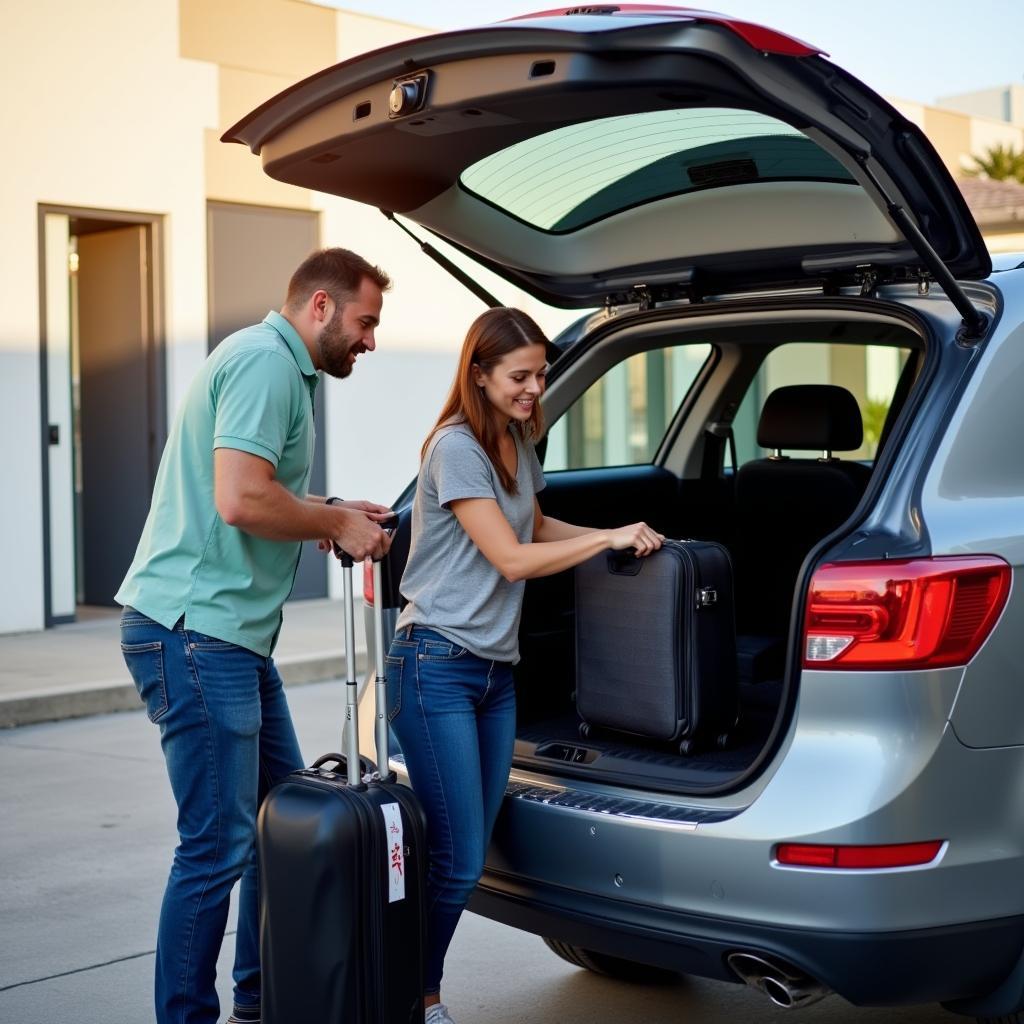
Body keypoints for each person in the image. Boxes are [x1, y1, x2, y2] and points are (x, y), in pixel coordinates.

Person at [116, 247, 394, 1024]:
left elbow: (260, 490)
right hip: (195, 634)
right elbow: (241, 501)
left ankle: (258, 1003)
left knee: (279, 819)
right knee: (216, 847)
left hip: (227, 639)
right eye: (365, 321)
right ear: (319, 307)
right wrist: (332, 520)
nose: (369, 340)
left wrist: (334, 508)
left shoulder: (278, 366)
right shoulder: (267, 366)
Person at [387, 307, 664, 1024]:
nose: (534, 387)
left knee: (470, 855)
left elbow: (534, 525)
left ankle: (408, 989)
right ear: (478, 374)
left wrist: (618, 539)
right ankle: (416, 998)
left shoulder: (513, 439)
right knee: (453, 858)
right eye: (520, 376)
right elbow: (511, 558)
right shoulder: (456, 448)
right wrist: (603, 536)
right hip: (436, 666)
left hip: (492, 674)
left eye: (540, 374)